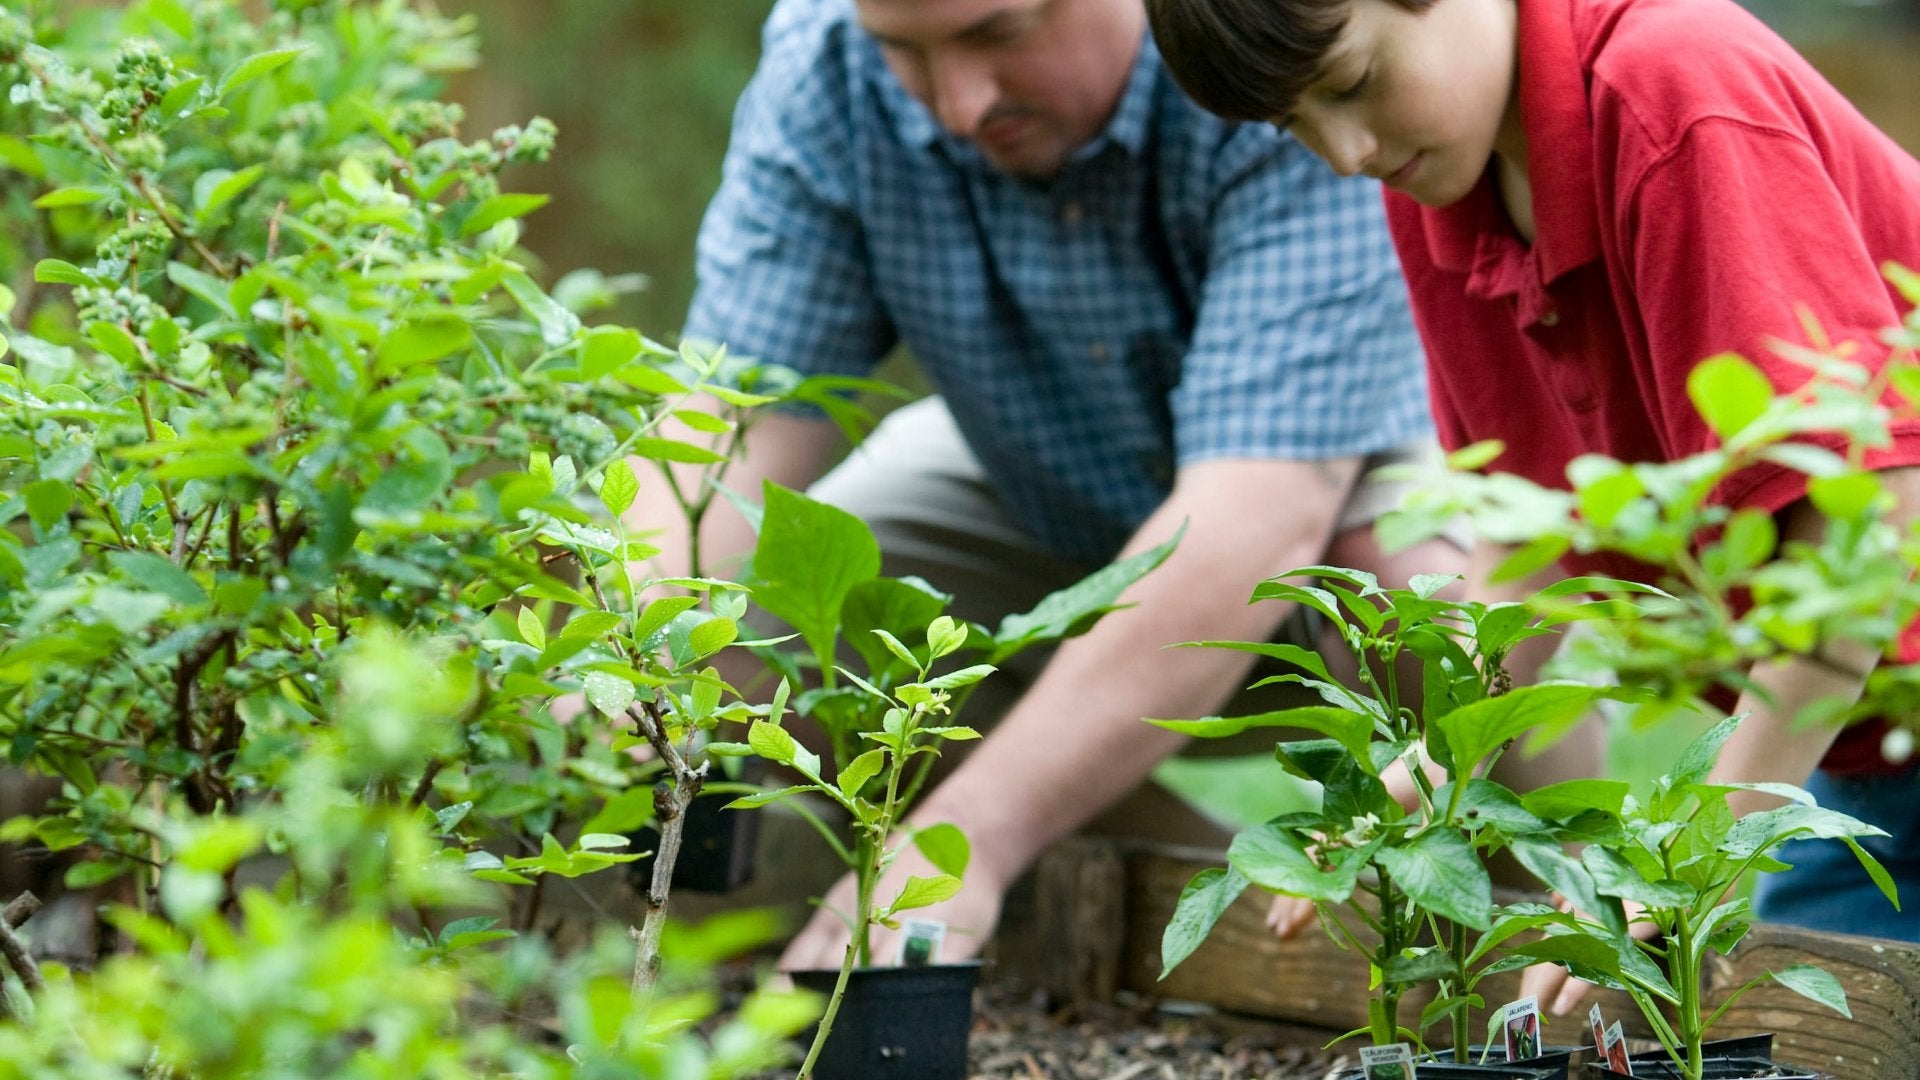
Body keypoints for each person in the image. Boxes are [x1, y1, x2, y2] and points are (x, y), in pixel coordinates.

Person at [637, 0, 1495, 971]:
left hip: (1335, 477)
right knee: (757, 617)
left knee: (1426, 604)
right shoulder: (828, 61)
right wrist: (621, 658)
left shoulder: (1267, 43)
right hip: (1032, 473)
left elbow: (1252, 520)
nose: (957, 106)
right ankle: (1172, 896)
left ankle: (1549, 921)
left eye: (997, 35)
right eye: (906, 54)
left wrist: (972, 838)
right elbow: (724, 424)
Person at [1143, 0, 1920, 1008]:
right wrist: (1435, 775)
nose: (1346, 153)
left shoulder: (1672, 93)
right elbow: (1542, 545)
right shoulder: (1441, 186)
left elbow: (1874, 509)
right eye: (1296, 125)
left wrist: (1688, 849)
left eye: (1350, 84)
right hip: (1864, 758)